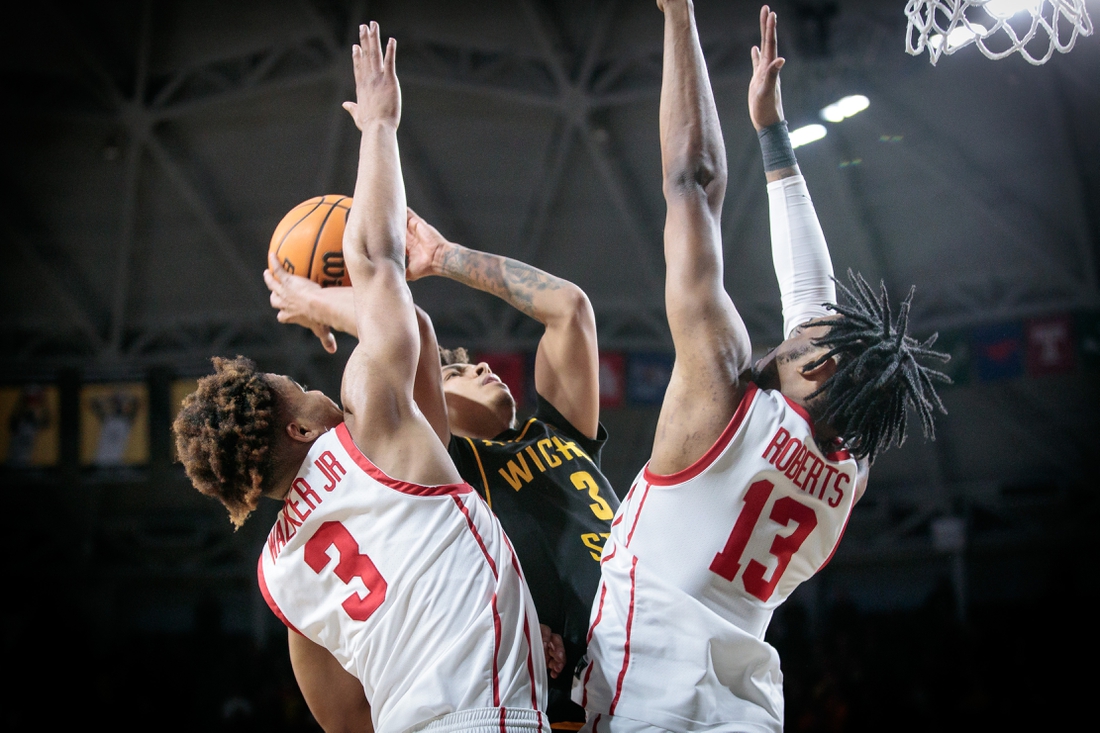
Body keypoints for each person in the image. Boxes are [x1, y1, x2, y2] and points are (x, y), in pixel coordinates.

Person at [574, 4, 950, 732]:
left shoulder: (722, 390)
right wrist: (772, 134)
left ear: (826, 360)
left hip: (648, 701)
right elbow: (812, 292)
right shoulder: (850, 470)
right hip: (745, 709)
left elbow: (692, 182)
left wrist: (677, 14)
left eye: (812, 332)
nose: (803, 319)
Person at [174, 22, 549, 733]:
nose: (309, 383)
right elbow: (379, 267)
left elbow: (346, 722)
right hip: (482, 714)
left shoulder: (282, 574)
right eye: (296, 385)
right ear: (297, 425)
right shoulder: (368, 424)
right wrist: (380, 125)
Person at [265, 207, 619, 729]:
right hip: (569, 700)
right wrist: (318, 300)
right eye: (454, 370)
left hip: (650, 645)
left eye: (478, 364)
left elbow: (569, 308)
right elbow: (402, 331)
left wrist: (445, 257)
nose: (481, 366)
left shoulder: (555, 432)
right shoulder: (429, 479)